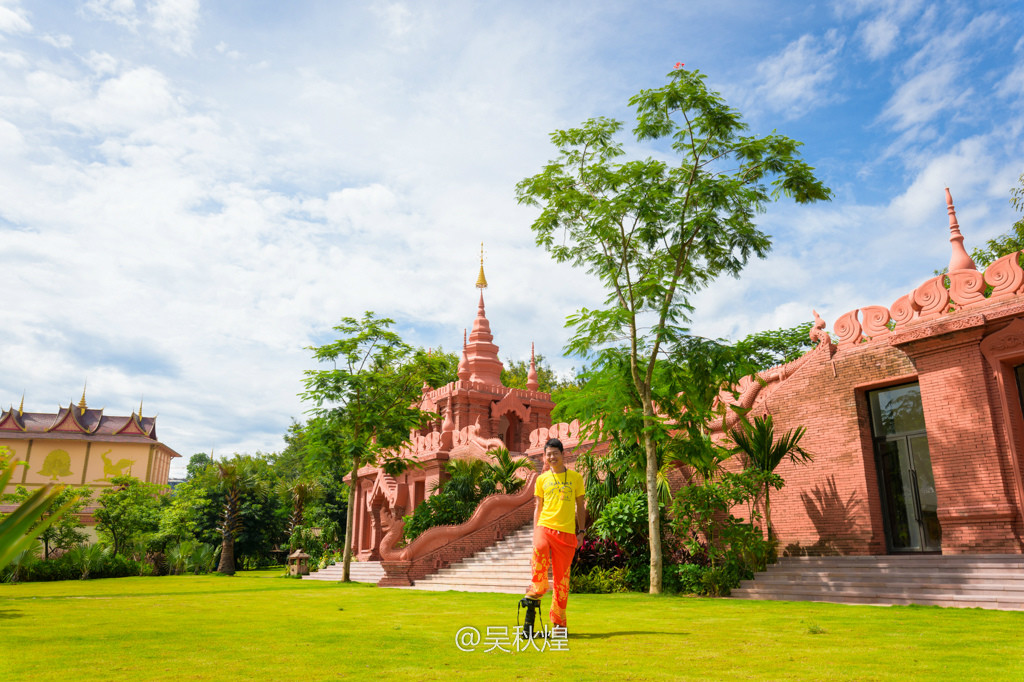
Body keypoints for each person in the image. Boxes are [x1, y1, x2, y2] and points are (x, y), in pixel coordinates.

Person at [519, 437, 585, 638]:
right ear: (544, 457)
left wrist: (581, 531)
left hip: (566, 532)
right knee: (539, 547)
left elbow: (580, 506)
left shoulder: (575, 478)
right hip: (545, 526)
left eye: (555, 453)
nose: (552, 457)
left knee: (562, 581)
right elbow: (538, 507)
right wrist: (535, 530)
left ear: (563, 454)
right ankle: (538, 585)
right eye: (548, 454)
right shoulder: (542, 479)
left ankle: (558, 623)